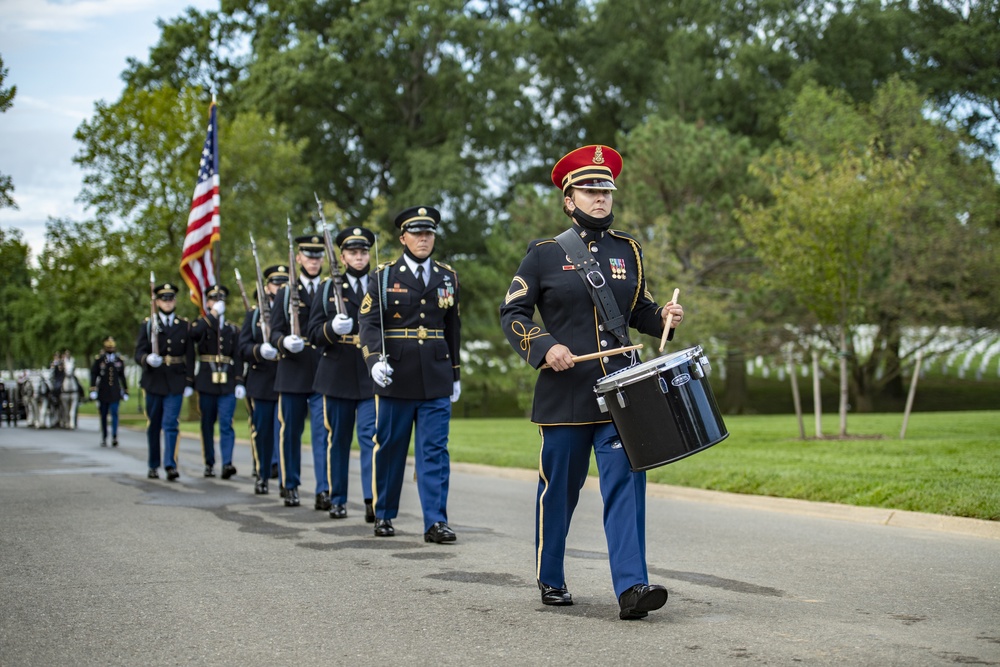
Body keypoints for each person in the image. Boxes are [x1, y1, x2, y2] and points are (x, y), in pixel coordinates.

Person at [498, 145, 685, 620]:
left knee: (626, 482)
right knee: (560, 490)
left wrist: (663, 315)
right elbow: (513, 312)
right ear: (569, 198)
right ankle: (551, 576)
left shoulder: (629, 250)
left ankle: (632, 587)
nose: (599, 197)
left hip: (621, 393)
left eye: (605, 189)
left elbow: (637, 310)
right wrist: (543, 347)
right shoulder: (543, 255)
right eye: (589, 189)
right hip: (565, 394)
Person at [358, 206, 461, 542]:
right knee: (390, 447)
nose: (423, 238)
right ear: (403, 238)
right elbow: (369, 323)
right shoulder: (383, 276)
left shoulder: (448, 277)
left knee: (435, 450)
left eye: (428, 233)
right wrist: (374, 360)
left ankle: (435, 521)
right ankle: (384, 514)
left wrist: (456, 373)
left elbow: (452, 327)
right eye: (416, 233)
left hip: (435, 373)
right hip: (396, 373)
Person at [307, 226, 377, 521]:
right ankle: (337, 498)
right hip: (337, 371)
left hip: (370, 370)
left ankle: (372, 498)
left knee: (370, 438)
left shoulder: (380, 283)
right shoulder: (327, 288)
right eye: (353, 252)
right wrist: (330, 329)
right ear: (343, 256)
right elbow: (313, 333)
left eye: (363, 252)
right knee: (338, 440)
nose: (359, 257)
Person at [270, 235, 330, 508]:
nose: (314, 261)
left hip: (323, 369)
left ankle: (324, 488)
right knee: (290, 432)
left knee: (323, 433)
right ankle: (290, 483)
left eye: (318, 256)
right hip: (293, 370)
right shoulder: (285, 293)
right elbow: (274, 333)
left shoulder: (330, 290)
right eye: (309, 255)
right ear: (298, 258)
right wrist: (284, 342)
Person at [135, 282, 195, 480]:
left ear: (175, 301)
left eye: (170, 299)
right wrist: (147, 359)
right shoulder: (148, 324)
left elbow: (190, 355)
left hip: (176, 380)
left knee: (171, 423)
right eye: (164, 299)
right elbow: (139, 352)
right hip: (154, 380)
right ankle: (153, 464)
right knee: (154, 424)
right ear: (157, 301)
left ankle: (170, 464)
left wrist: (189, 381)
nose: (168, 303)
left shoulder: (184, 325)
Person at [238, 264, 288, 495]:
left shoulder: (293, 311)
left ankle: (286, 480)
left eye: (283, 283)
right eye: (276, 283)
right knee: (263, 431)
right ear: (267, 287)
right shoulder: (255, 314)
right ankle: (263, 473)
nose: (279, 287)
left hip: (288, 379)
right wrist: (259, 350)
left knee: (286, 432)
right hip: (262, 381)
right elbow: (243, 347)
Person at [190, 284, 245, 479]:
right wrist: (212, 315)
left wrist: (239, 381)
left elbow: (238, 356)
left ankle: (227, 463)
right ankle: (209, 462)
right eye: (213, 299)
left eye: (220, 299)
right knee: (207, 423)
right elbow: (193, 335)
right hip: (206, 380)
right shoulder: (202, 325)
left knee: (226, 423)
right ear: (207, 302)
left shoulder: (232, 329)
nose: (217, 302)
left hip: (227, 381)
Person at [89, 336, 128, 447]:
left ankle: (115, 436)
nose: (110, 349)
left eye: (112, 347)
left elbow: (122, 376)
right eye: (108, 347)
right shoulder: (99, 360)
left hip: (115, 391)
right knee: (104, 415)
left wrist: (125, 390)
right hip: (103, 391)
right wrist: (93, 389)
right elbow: (94, 374)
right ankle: (104, 436)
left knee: (115, 413)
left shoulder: (119, 360)